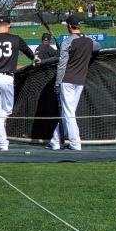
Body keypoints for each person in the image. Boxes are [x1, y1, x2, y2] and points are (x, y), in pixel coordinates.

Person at [0, 16, 38, 151]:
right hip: (7, 78)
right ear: (9, 25)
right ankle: (2, 143)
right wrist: (35, 58)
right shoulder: (15, 39)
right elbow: (28, 51)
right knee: (7, 110)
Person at [47, 17, 100, 151]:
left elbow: (62, 65)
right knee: (68, 112)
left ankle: (75, 143)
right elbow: (98, 47)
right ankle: (55, 141)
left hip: (68, 80)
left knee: (69, 113)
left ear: (70, 26)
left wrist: (57, 83)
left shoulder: (68, 41)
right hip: (80, 81)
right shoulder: (90, 41)